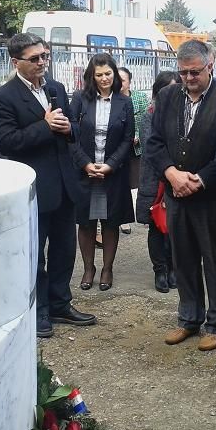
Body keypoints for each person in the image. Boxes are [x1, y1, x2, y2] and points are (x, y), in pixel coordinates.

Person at [0, 33, 95, 338]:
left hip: (64, 185)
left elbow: (73, 129)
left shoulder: (56, 89)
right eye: (34, 58)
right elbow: (7, 142)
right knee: (34, 254)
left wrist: (68, 128)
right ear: (16, 62)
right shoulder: (4, 97)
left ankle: (61, 303)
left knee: (64, 250)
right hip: (34, 189)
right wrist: (45, 127)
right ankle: (38, 310)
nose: (42, 63)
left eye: (45, 56)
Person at [145, 40, 216, 351]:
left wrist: (200, 180)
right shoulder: (168, 96)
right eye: (183, 72)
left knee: (214, 261)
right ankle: (188, 318)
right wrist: (171, 174)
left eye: (195, 72)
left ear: (210, 65)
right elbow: (154, 142)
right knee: (183, 259)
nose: (188, 78)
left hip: (211, 198)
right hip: (175, 194)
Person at [69, 53, 135, 292]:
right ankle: (89, 268)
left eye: (108, 73)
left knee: (110, 221)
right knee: (86, 223)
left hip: (112, 173)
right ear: (92, 76)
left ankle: (107, 268)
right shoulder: (80, 99)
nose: (105, 78)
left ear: (114, 74)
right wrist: (85, 164)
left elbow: (128, 139)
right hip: (85, 171)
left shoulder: (124, 102)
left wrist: (111, 165)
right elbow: (70, 136)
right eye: (99, 75)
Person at [136, 70, 181, 292]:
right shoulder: (149, 115)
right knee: (156, 226)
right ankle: (160, 270)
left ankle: (173, 267)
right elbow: (150, 147)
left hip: (178, 178)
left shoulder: (184, 114)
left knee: (175, 227)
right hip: (154, 180)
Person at [117, 66, 150, 235]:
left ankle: (145, 212)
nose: (119, 83)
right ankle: (122, 220)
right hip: (117, 149)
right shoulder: (111, 99)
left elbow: (144, 119)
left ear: (129, 82)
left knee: (137, 182)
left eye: (123, 80)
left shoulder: (140, 98)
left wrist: (136, 134)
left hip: (135, 148)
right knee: (121, 183)